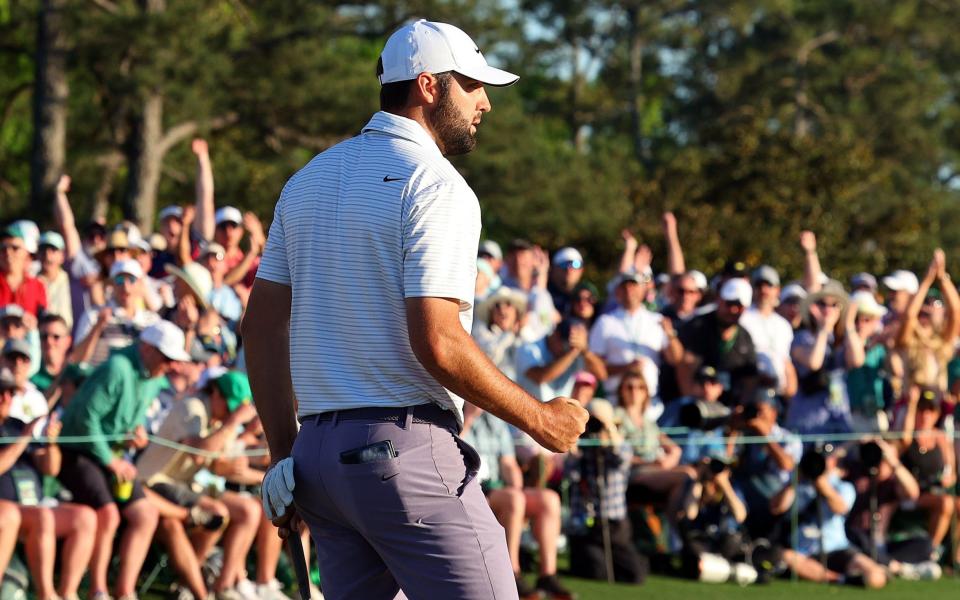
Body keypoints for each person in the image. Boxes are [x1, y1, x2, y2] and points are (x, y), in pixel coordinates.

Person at [244, 18, 587, 600]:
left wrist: (285, 455)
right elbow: (437, 339)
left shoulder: (306, 180)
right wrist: (540, 419)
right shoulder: (436, 184)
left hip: (320, 460)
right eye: (473, 85)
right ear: (429, 86)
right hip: (400, 454)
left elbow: (259, 327)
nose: (485, 103)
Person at [57, 321, 188, 600]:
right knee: (109, 514)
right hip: (77, 453)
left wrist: (134, 434)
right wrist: (112, 461)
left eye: (173, 360)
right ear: (147, 349)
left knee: (146, 514)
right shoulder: (116, 368)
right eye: (166, 358)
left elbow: (122, 420)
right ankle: (98, 590)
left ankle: (125, 592)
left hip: (109, 455)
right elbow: (84, 422)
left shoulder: (153, 378)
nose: (171, 365)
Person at [0, 368, 97, 600]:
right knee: (32, 516)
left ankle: (68, 593)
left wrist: (51, 443)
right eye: (1, 392)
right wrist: (25, 437)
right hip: (8, 507)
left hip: (33, 504)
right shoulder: (21, 431)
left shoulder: (15, 425)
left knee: (85, 517)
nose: (6, 398)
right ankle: (46, 594)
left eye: (10, 393)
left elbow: (50, 468)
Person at [461, 403, 574, 599]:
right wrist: (469, 417)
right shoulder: (457, 415)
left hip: (496, 488)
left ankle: (547, 574)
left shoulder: (495, 419)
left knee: (549, 499)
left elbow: (508, 463)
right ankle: (512, 572)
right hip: (470, 487)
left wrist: (517, 487)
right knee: (514, 500)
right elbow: (454, 448)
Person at [770, 449, 887, 589]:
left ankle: (843, 576)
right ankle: (840, 579)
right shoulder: (796, 486)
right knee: (786, 556)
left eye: (826, 459)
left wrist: (821, 483)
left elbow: (840, 508)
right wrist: (793, 482)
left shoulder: (842, 486)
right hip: (804, 552)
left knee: (875, 577)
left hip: (836, 548)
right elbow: (776, 508)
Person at [566, 399, 648, 584]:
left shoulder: (620, 448)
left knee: (635, 575)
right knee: (596, 571)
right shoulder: (583, 450)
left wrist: (609, 430)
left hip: (615, 526)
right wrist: (575, 444)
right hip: (587, 526)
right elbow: (571, 475)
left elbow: (621, 459)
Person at [588, 271, 683, 405]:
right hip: (616, 401)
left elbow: (676, 359)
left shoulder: (657, 320)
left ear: (643, 289)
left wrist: (671, 335)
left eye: (634, 285)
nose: (629, 290)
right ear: (618, 291)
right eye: (624, 286)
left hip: (650, 403)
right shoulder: (605, 322)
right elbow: (593, 365)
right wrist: (626, 368)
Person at [787, 281, 864, 436]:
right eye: (822, 304)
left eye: (834, 304)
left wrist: (848, 325)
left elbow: (857, 360)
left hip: (838, 416)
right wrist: (823, 329)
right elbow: (814, 363)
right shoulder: (802, 337)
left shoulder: (843, 340)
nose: (828, 309)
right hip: (807, 419)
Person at [895, 386, 956, 558]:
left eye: (930, 410)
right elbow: (904, 439)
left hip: (935, 491)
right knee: (946, 503)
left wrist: (947, 477)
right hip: (911, 494)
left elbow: (951, 472)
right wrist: (912, 403)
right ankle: (929, 551)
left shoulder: (940, 438)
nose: (925, 415)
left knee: (953, 503)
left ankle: (955, 557)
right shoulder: (908, 437)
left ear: (936, 414)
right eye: (921, 410)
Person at [677, 278, 759, 405]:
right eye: (729, 304)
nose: (733, 310)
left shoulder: (745, 337)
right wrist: (692, 400)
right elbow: (685, 368)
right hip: (692, 404)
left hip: (727, 407)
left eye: (738, 306)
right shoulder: (697, 327)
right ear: (719, 300)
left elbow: (750, 379)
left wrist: (742, 406)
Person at [895, 249, 960, 395]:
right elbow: (909, 316)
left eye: (935, 303)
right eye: (925, 303)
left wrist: (942, 276)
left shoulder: (943, 340)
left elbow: (956, 311)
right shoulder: (909, 340)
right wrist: (928, 279)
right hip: (912, 405)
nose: (929, 308)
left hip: (935, 407)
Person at [739, 265, 797, 400]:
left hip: (777, 397)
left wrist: (791, 386)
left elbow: (785, 359)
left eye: (768, 285)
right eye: (759, 285)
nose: (763, 290)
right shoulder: (742, 317)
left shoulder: (783, 324)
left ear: (777, 290)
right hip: (749, 394)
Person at [0, 224, 47, 317]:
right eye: (3, 249)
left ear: (26, 253)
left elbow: (43, 322)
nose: (8, 253)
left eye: (15, 248)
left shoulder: (38, 286)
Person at [3, 338, 47, 425]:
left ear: (29, 363)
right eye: (12, 357)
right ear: (1, 360)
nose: (17, 364)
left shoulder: (37, 398)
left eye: (23, 359)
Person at [36, 231, 73, 328]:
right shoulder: (31, 283)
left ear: (62, 255)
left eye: (53, 249)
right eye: (43, 250)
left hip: (69, 338)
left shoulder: (72, 281)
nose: (47, 255)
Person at [547, 247, 584, 317]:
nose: (569, 269)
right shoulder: (544, 294)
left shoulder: (587, 298)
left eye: (576, 264)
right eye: (563, 264)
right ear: (553, 269)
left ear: (581, 270)